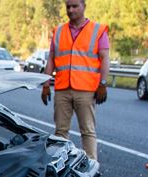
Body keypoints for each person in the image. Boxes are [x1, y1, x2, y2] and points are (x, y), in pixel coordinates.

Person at [41, 0, 110, 160]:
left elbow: (105, 58)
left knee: (87, 131)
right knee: (60, 132)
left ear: (83, 6)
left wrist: (103, 84)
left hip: (86, 90)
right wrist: (45, 84)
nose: (71, 10)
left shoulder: (97, 31)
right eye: (68, 7)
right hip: (62, 89)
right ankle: (61, 167)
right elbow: (51, 59)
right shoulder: (58, 31)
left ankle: (91, 169)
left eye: (75, 6)